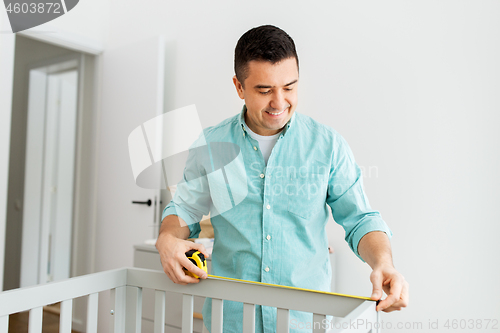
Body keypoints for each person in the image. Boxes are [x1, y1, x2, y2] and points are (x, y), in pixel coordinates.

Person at [156, 25, 409, 332]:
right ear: (239, 87)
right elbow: (185, 209)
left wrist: (383, 263)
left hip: (303, 322)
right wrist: (167, 239)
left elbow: (360, 219)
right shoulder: (210, 145)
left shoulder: (328, 145)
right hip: (231, 321)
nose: (279, 102)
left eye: (289, 87)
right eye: (264, 90)